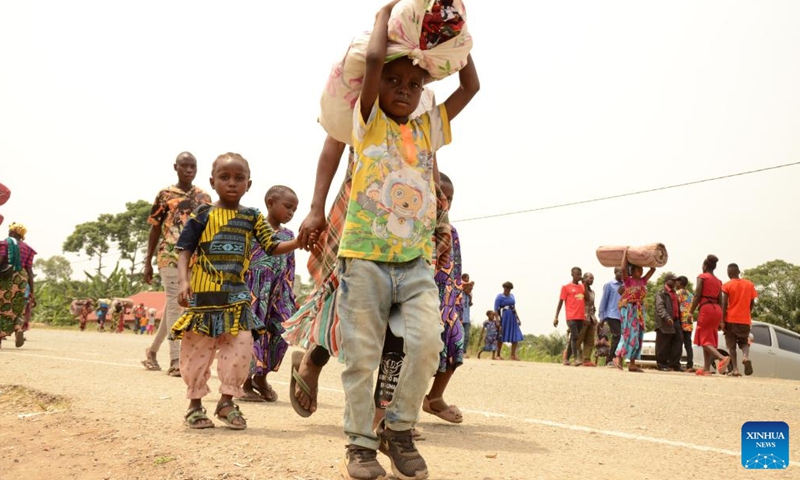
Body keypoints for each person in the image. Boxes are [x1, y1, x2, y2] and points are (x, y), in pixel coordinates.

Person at [335, 3, 480, 478]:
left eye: (413, 85)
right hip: (365, 258)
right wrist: (383, 20)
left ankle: (396, 432)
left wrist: (455, 44)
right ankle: (359, 444)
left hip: (414, 261)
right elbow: (375, 63)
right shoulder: (368, 122)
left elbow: (471, 87)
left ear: (423, 92)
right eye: (394, 83)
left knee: (426, 345)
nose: (403, 90)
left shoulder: (428, 129)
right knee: (362, 353)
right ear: (377, 88)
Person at [169, 152, 308, 431]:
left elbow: (272, 246)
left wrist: (299, 242)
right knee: (198, 352)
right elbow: (185, 250)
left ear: (249, 184)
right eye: (224, 177)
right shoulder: (203, 214)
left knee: (241, 349)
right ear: (212, 181)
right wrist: (184, 282)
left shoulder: (252, 217)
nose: (232, 183)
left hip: (237, 301)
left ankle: (226, 402)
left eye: (239, 178)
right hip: (204, 301)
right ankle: (195, 405)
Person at [142, 152, 212, 376]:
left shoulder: (204, 197)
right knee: (174, 302)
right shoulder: (165, 195)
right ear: (176, 167)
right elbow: (155, 228)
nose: (189, 170)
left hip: (194, 258)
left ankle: (152, 351)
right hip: (169, 255)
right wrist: (148, 262)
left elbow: (209, 229)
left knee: (180, 305)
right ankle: (175, 359)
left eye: (193, 166)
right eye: (184, 166)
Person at [238, 186, 299, 403]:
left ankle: (261, 378)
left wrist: (289, 296)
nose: (291, 213)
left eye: (294, 210)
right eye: (288, 207)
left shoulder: (288, 236)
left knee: (280, 332)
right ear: (271, 202)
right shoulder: (253, 228)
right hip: (252, 292)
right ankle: (245, 383)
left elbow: (290, 266)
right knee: (251, 335)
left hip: (277, 293)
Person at [422, 172, 465, 424]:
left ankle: (435, 398)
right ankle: (391, 411)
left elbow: (454, 270)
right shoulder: (410, 227)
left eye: (450, 199)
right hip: (416, 297)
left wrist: (455, 301)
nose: (445, 203)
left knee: (455, 338)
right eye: (441, 197)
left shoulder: (452, 232)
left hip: (445, 299)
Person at [688, 255, 730, 377]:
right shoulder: (718, 281)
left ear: (705, 266)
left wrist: (690, 312)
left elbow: (697, 295)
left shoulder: (702, 277)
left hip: (706, 309)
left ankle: (722, 358)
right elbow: (720, 300)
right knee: (709, 339)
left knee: (703, 339)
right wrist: (722, 319)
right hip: (717, 310)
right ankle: (706, 369)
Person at [614, 254, 655, 372]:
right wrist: (625, 254)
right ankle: (619, 358)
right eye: (638, 269)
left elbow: (653, 269)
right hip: (628, 308)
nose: (641, 271)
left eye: (642, 269)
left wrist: (649, 258)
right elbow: (623, 268)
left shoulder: (643, 281)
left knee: (637, 335)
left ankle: (632, 363)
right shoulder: (628, 280)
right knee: (627, 333)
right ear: (632, 271)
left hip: (639, 310)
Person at [0, 223, 36, 348]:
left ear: (12, 233)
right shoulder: (28, 249)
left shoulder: (4, 243)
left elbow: (0, 259)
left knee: (2, 307)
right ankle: (17, 329)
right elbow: (30, 272)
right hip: (21, 279)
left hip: (6, 278)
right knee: (16, 308)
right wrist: (32, 292)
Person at [722, 263, 758, 377]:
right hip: (745, 320)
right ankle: (745, 357)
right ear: (739, 271)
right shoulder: (749, 284)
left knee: (731, 346)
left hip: (731, 319)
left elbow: (723, 303)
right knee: (744, 342)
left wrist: (722, 320)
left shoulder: (727, 285)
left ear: (729, 273)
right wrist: (747, 312)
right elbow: (752, 302)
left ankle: (736, 369)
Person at [553, 267, 587, 366]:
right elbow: (560, 302)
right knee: (575, 336)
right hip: (571, 316)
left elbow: (587, 298)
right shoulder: (566, 287)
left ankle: (566, 359)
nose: (579, 276)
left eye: (580, 274)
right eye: (577, 274)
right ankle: (576, 358)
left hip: (580, 316)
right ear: (572, 274)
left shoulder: (582, 287)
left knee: (574, 337)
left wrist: (585, 284)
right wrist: (556, 317)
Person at [654, 273, 684, 371]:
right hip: (665, 322)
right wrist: (667, 317)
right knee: (663, 344)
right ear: (667, 281)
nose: (675, 282)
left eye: (676, 281)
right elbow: (660, 307)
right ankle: (662, 364)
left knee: (678, 342)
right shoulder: (661, 292)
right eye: (673, 280)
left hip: (676, 321)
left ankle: (674, 364)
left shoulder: (675, 293)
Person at [598, 267, 623, 367]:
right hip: (612, 314)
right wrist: (601, 317)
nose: (622, 274)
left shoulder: (625, 285)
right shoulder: (609, 285)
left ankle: (615, 359)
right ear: (615, 272)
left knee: (620, 337)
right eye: (620, 272)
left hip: (623, 315)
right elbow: (604, 300)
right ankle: (611, 359)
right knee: (617, 335)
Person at [495, 281, 523, 360]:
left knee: (515, 335)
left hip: (512, 316)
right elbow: (496, 310)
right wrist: (497, 321)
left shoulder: (512, 296)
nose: (507, 289)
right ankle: (498, 355)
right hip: (504, 317)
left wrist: (518, 318)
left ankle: (513, 355)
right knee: (501, 335)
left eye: (509, 288)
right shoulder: (499, 297)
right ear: (503, 288)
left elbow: (514, 307)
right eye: (506, 288)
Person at [575, 272, 598, 366]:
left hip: (591, 318)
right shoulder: (579, 289)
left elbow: (591, 304)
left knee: (590, 340)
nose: (592, 280)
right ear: (584, 279)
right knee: (578, 339)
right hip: (582, 317)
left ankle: (586, 359)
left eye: (593, 279)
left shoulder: (592, 292)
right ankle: (574, 357)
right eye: (590, 278)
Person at [675, 276, 695, 371]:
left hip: (681, 321)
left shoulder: (678, 294)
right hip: (689, 322)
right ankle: (690, 365)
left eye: (677, 282)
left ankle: (677, 364)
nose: (675, 284)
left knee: (678, 344)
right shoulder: (691, 295)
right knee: (688, 345)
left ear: (680, 283)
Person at [461, 273, 474, 357]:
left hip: (466, 318)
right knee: (459, 336)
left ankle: (463, 352)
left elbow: (470, 304)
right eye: (466, 278)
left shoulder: (469, 295)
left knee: (467, 336)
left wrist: (470, 297)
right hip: (460, 317)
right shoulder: (459, 291)